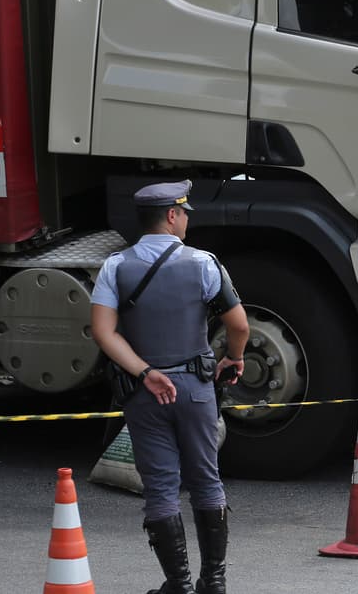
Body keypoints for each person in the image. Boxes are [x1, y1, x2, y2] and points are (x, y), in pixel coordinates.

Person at [91, 180, 249, 593]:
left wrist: (145, 373)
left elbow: (104, 333)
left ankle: (176, 585)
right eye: (186, 213)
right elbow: (239, 324)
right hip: (196, 388)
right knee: (205, 480)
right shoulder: (203, 264)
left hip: (145, 393)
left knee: (160, 487)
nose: (187, 219)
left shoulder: (114, 266)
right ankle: (213, 582)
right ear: (173, 215)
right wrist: (234, 356)